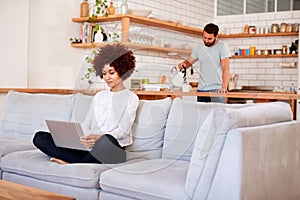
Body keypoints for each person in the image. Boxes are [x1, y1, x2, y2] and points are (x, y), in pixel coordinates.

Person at [33, 44, 139, 164]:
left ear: (122, 71)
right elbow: (86, 124)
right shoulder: (99, 96)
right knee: (40, 137)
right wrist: (85, 139)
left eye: (111, 72)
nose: (107, 77)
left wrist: (98, 138)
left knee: (107, 140)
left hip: (112, 148)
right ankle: (81, 161)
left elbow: (123, 131)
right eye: (104, 73)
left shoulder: (131, 98)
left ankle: (73, 163)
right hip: (90, 149)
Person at [178, 23, 231, 102]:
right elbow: (189, 62)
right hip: (201, 90)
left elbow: (225, 69)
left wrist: (224, 87)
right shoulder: (199, 47)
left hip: (216, 90)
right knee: (202, 114)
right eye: (204, 37)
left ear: (216, 37)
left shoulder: (222, 47)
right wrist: (184, 64)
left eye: (209, 39)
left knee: (217, 114)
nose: (206, 40)